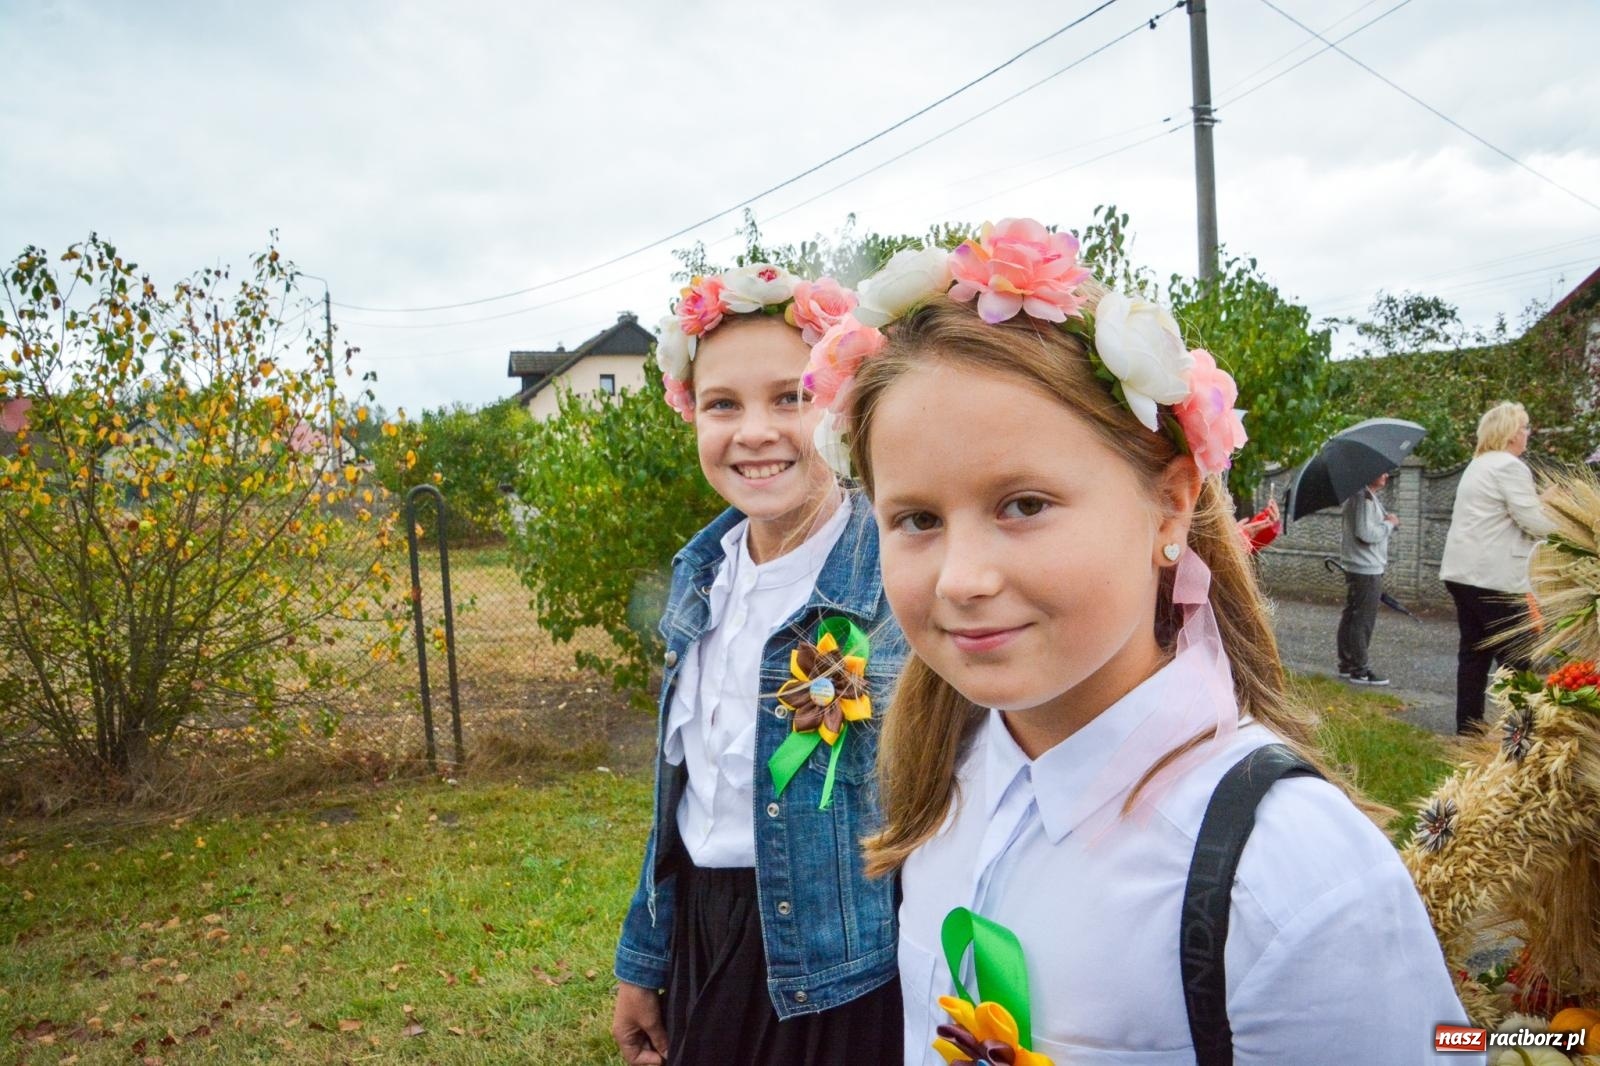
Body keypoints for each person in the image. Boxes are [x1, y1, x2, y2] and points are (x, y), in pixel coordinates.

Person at [804, 220, 1468, 1064]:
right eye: (917, 520)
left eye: (1024, 504)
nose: (960, 579)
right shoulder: (952, 779)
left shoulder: (1291, 875)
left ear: (1171, 504)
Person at [610, 265, 907, 1066]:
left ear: (840, 406)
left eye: (790, 397)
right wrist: (644, 959)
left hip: (842, 966)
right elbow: (683, 795)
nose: (756, 432)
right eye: (722, 405)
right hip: (705, 941)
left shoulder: (895, 578)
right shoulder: (700, 574)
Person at [1439, 401, 1555, 735]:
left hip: (1463, 574)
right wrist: (1563, 515)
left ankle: (1468, 732)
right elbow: (1534, 521)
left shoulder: (1478, 465)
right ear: (1509, 433)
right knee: (1517, 658)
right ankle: (1519, 734)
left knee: (1474, 655)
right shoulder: (1509, 466)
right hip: (1496, 578)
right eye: (1524, 426)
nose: (1527, 433)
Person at [1336, 471, 1399, 685]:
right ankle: (1359, 669)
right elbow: (1366, 533)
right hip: (1366, 568)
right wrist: (1389, 524)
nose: (1386, 475)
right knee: (1362, 619)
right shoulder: (1363, 498)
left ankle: (1347, 663)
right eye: (1381, 472)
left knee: (1352, 615)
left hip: (1360, 565)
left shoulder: (1364, 496)